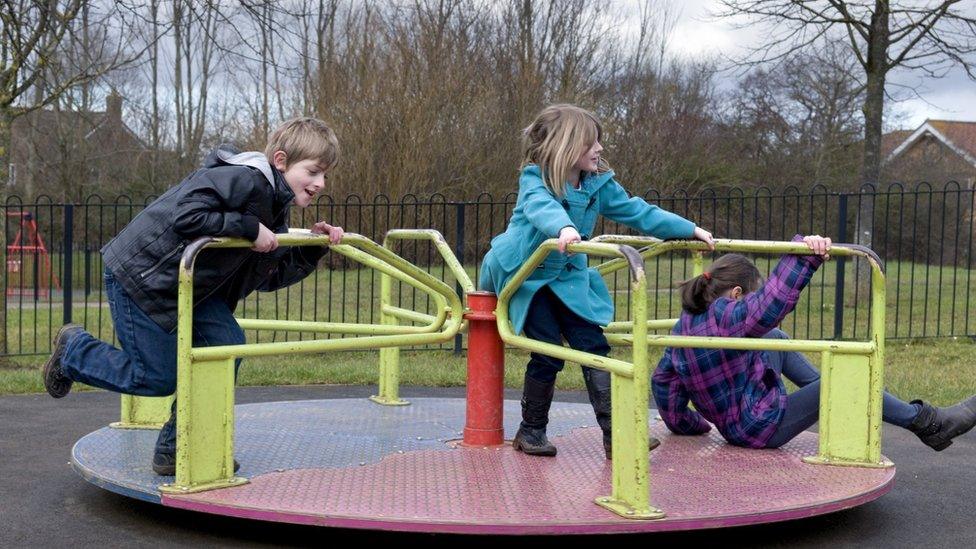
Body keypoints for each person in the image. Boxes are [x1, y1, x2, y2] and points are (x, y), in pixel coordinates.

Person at [42, 117, 346, 475]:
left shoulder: (275, 211)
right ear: (281, 161)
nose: (321, 183)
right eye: (313, 171)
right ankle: (74, 351)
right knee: (155, 377)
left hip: (192, 289)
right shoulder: (245, 178)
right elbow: (187, 214)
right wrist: (248, 228)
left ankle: (177, 447)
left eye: (325, 175)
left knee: (227, 344)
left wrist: (310, 250)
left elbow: (266, 276)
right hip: (144, 276)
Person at [479, 104, 716, 459]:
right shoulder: (536, 179)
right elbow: (540, 206)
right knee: (547, 351)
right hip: (528, 276)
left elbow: (639, 211)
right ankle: (530, 431)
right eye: (592, 143)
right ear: (566, 146)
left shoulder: (597, 185)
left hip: (568, 277)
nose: (600, 149)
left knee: (594, 347)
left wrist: (689, 228)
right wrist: (564, 228)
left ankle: (616, 435)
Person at [652, 236, 976, 451]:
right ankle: (930, 424)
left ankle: (821, 388)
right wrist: (804, 254)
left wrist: (693, 424)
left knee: (774, 337)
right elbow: (767, 307)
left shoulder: (684, 327)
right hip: (760, 428)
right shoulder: (726, 315)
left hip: (736, 420)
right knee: (847, 379)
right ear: (736, 294)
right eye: (750, 294)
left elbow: (664, 386)